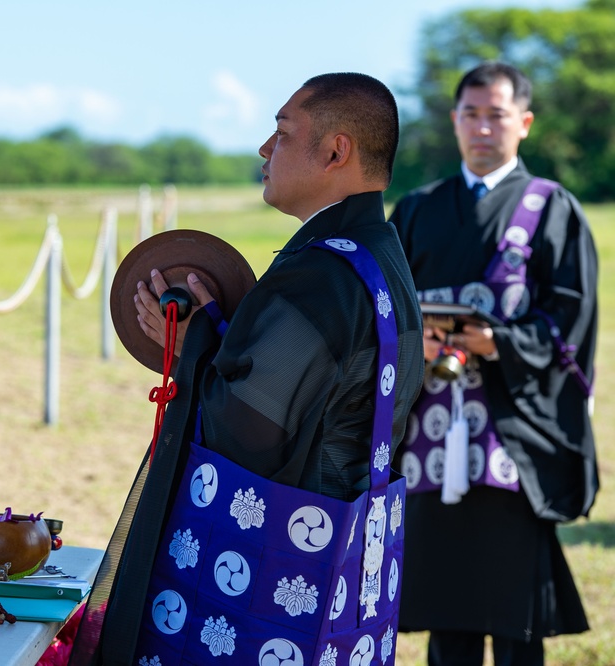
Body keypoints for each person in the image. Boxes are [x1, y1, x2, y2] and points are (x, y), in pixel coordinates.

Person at [69, 72, 424, 664]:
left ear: (337, 151)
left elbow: (252, 432)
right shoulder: (382, 255)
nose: (265, 149)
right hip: (348, 551)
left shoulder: (319, 274)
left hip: (277, 564)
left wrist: (193, 350)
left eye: (282, 133)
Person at [388, 61, 599, 665]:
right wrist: (414, 345)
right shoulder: (419, 209)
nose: (483, 128)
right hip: (428, 433)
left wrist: (499, 343)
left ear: (524, 123)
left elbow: (570, 319)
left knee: (512, 614)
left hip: (512, 432)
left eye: (497, 115)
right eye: (470, 114)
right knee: (446, 608)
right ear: (454, 121)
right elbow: (384, 308)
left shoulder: (552, 208)